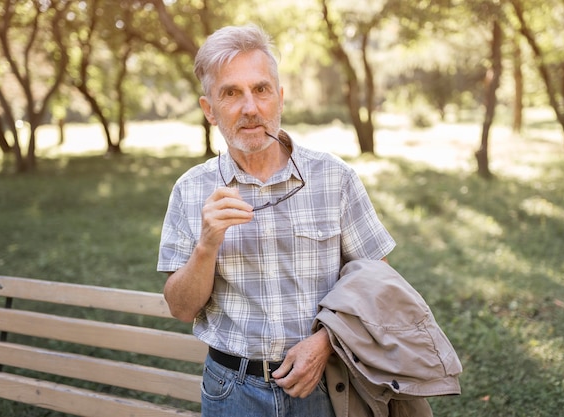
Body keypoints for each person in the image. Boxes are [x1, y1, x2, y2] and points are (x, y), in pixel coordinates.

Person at [157, 24, 395, 417]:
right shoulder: (190, 189)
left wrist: (325, 344)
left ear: (280, 98)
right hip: (231, 389)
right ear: (209, 110)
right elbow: (181, 309)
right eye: (231, 93)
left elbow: (377, 281)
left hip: (325, 382)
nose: (250, 107)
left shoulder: (334, 177)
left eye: (261, 89)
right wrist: (207, 246)